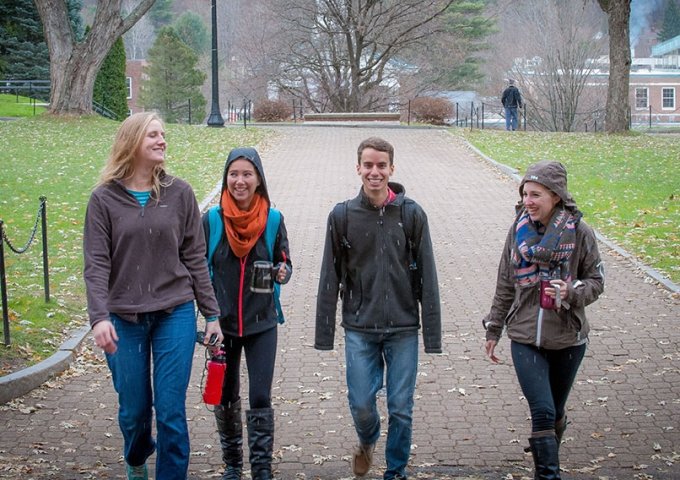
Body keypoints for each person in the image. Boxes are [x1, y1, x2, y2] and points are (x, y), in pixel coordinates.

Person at [83, 112, 223, 480]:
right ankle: (136, 455)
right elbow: (96, 264)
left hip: (173, 312)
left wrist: (212, 315)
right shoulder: (104, 200)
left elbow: (194, 256)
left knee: (171, 410)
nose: (162, 140)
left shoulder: (180, 192)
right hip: (123, 318)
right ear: (131, 143)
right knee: (134, 411)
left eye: (163, 134)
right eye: (153, 135)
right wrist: (98, 317)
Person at [315, 137, 442, 480]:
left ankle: (395, 471)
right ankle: (368, 438)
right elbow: (331, 274)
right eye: (368, 165)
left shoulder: (412, 214)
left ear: (392, 169)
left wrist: (431, 334)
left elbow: (428, 275)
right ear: (358, 168)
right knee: (361, 403)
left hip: (403, 327)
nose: (375, 172)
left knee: (401, 408)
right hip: (359, 327)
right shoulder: (342, 216)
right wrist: (324, 333)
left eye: (381, 165)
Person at [482, 161, 605, 479]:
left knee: (556, 412)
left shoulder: (580, 233)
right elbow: (505, 282)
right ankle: (548, 474)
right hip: (524, 337)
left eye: (535, 194)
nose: (528, 201)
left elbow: (596, 281)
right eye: (525, 194)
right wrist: (494, 328)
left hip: (568, 338)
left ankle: (547, 441)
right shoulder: (517, 231)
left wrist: (572, 289)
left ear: (556, 196)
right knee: (543, 410)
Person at [204, 147, 292, 480]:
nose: (240, 181)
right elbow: (199, 268)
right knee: (226, 394)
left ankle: (261, 467)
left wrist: (283, 270)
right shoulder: (212, 219)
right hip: (222, 325)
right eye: (234, 174)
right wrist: (209, 313)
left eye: (247, 174)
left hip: (262, 323)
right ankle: (232, 463)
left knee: (259, 394)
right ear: (226, 178)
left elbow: (286, 260)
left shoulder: (272, 219)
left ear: (258, 180)